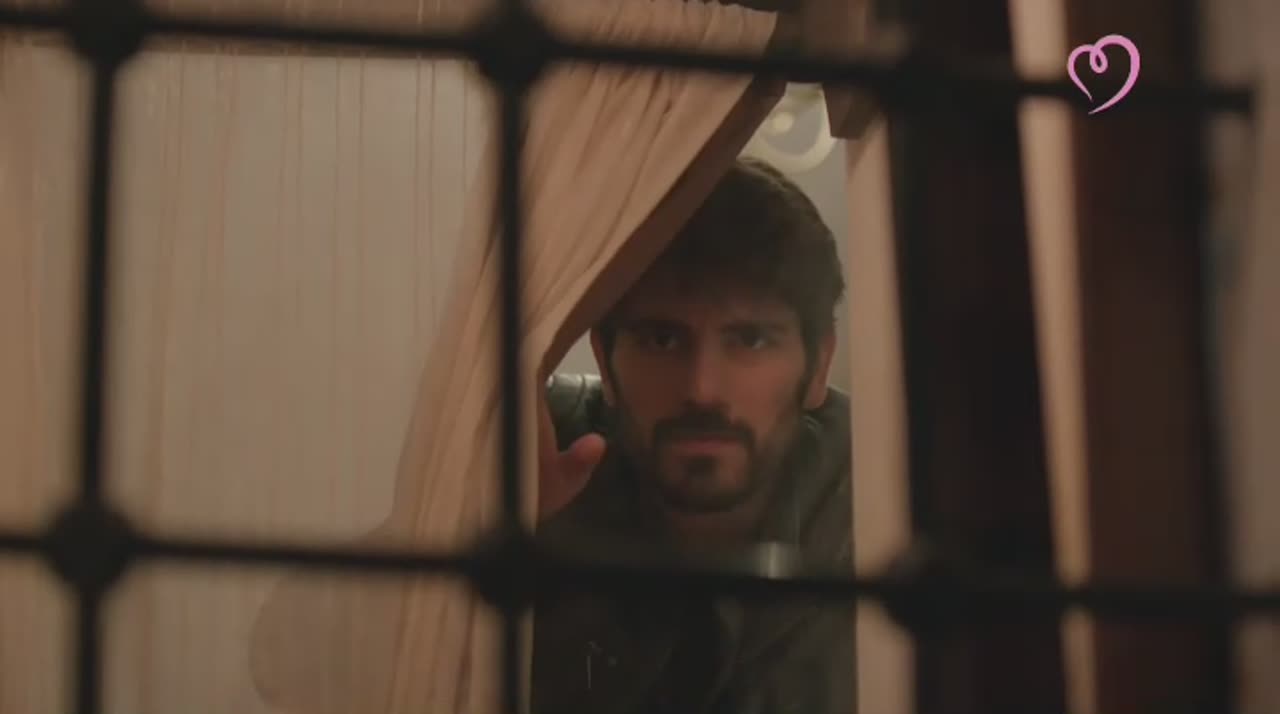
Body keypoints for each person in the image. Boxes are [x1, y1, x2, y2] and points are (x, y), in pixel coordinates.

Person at [531, 157, 854, 714]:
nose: (702, 390)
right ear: (604, 359)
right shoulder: (536, 452)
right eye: (662, 339)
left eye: (750, 340)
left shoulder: (885, 498)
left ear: (819, 365)